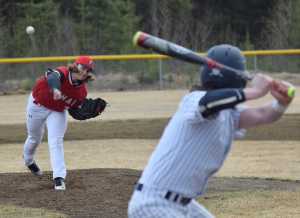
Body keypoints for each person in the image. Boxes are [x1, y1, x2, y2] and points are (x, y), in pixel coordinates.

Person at [128, 44, 295, 217]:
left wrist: (281, 103)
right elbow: (209, 103)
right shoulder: (195, 100)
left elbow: (263, 115)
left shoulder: (229, 114)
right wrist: (255, 91)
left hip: (182, 205)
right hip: (154, 203)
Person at [23, 56, 107, 191]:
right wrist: (56, 89)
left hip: (57, 111)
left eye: (88, 70)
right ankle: (28, 160)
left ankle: (59, 178)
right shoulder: (62, 73)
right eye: (83, 67)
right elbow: (52, 77)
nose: (85, 72)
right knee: (34, 138)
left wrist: (82, 112)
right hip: (37, 106)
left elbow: (75, 109)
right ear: (75, 65)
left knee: (55, 141)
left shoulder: (82, 92)